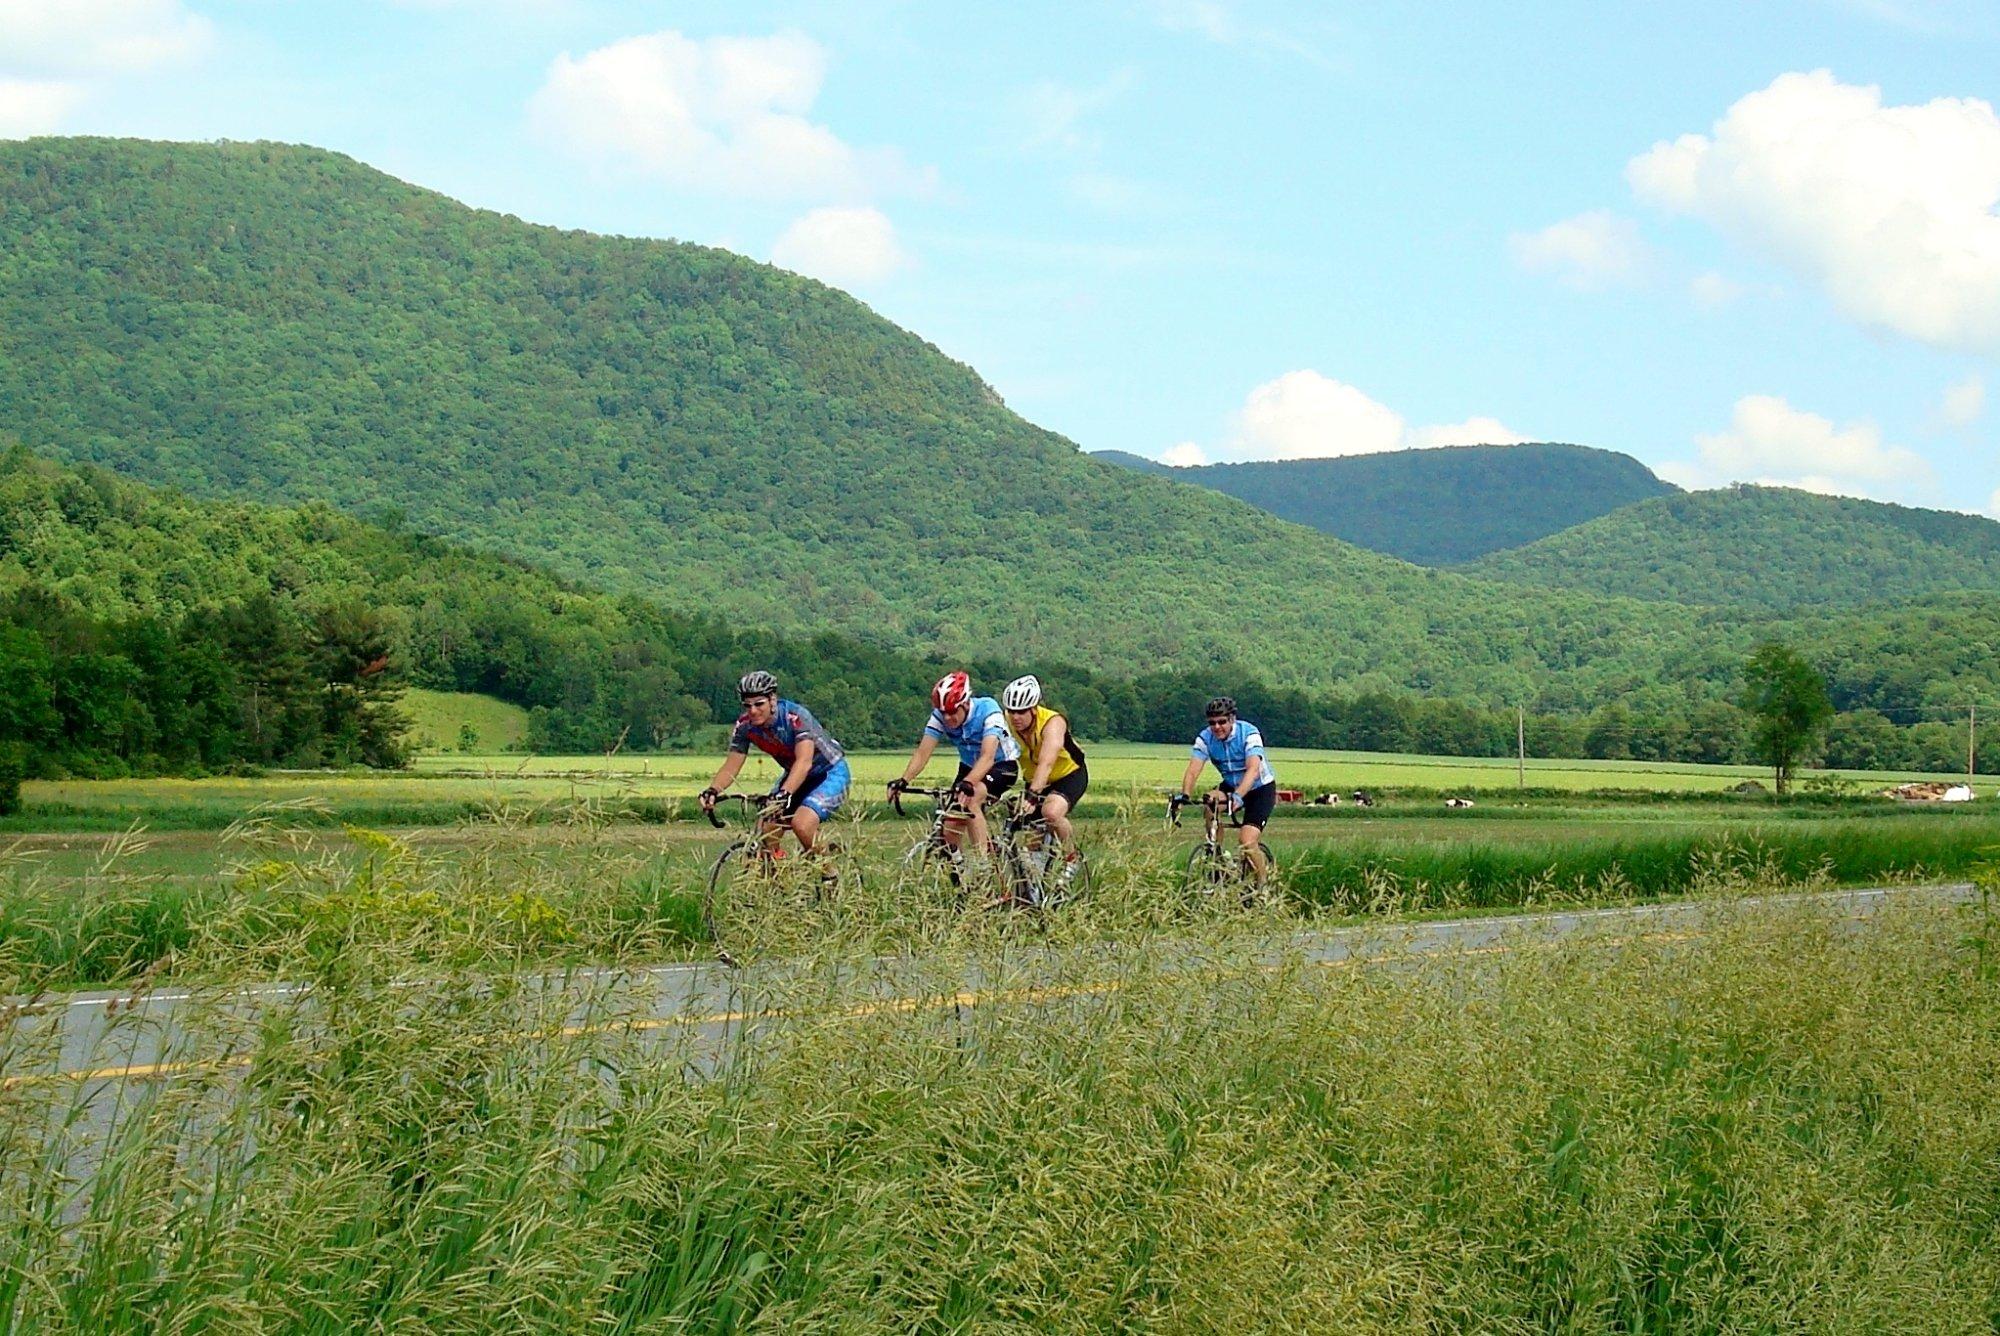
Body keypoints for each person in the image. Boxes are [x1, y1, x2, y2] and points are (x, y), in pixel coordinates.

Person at [698, 669, 851, 856]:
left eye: (759, 704)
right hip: (796, 776)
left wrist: (784, 794)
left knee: (802, 825)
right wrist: (713, 790)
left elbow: (804, 762)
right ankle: (777, 877)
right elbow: (732, 765)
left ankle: (831, 876)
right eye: (747, 706)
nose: (753, 711)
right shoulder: (745, 726)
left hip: (829, 773)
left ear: (772, 699)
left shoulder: (795, 717)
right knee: (766, 829)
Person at [889, 670, 1020, 856]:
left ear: (965, 703)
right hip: (969, 767)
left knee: (972, 799)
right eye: (944, 713)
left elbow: (987, 757)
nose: (948, 718)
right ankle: (960, 877)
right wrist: (903, 781)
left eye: (952, 712)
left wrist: (968, 783)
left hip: (1000, 766)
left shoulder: (989, 711)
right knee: (949, 826)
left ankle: (983, 865)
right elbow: (923, 752)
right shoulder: (940, 717)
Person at [1176, 695, 1276, 883]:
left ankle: (1264, 884)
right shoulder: (1205, 738)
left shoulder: (1249, 733)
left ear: (1232, 719)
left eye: (1222, 721)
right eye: (1212, 723)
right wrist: (1185, 795)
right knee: (1209, 802)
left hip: (1259, 788)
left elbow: (1253, 769)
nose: (1217, 727)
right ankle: (1218, 859)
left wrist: (1238, 797)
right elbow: (1192, 771)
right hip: (1231, 785)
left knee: (1246, 841)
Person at [1001, 675, 1087, 860]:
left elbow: (1046, 762)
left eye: (1022, 712)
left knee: (1051, 813)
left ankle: (1072, 859)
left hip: (1068, 775)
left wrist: (1032, 797)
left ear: (1033, 709)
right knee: (1031, 845)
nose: (1015, 717)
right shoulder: (1005, 721)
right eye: (1011, 711)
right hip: (1035, 779)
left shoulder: (1052, 723)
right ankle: (1035, 882)